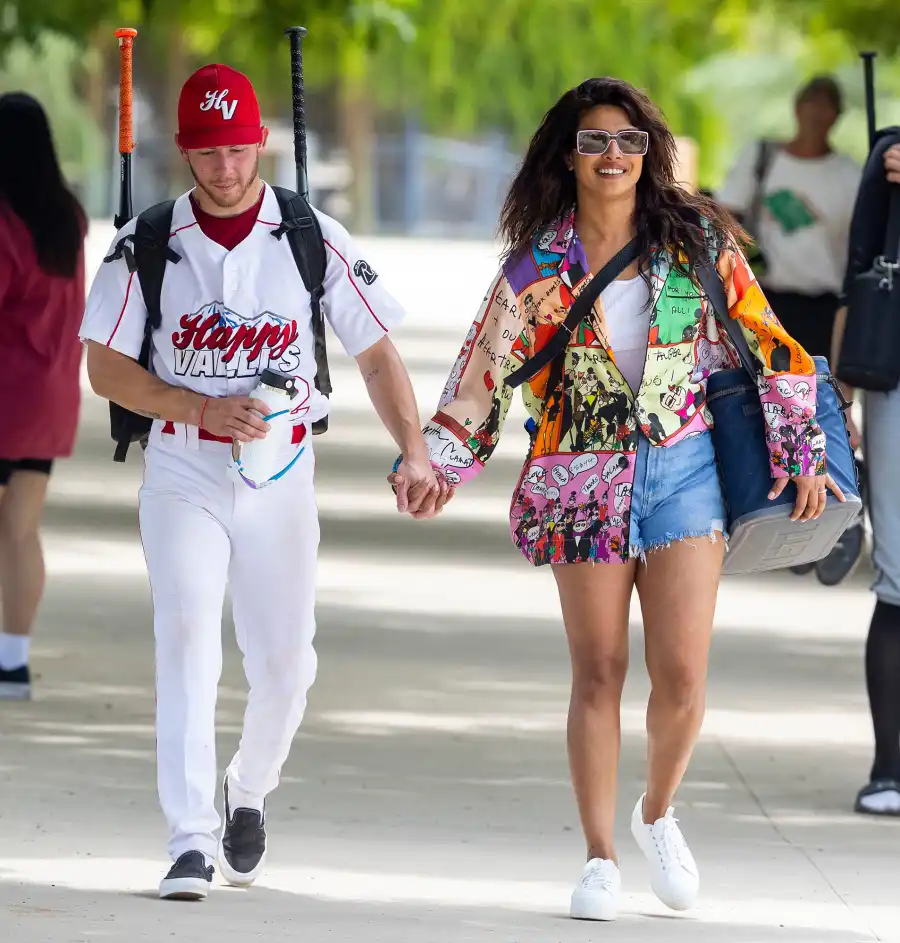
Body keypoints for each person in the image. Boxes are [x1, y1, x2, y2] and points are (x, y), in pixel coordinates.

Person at [391, 77, 842, 922]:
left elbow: (767, 340)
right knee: (597, 670)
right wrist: (433, 465)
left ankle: (656, 812)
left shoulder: (697, 242)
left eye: (629, 142)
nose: (613, 155)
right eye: (595, 140)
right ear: (569, 155)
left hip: (684, 468)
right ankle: (599, 856)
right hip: (578, 476)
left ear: (647, 154)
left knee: (683, 676)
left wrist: (802, 450)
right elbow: (481, 376)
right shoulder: (535, 268)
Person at [80, 64, 448, 901]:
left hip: (281, 472)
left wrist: (415, 450)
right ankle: (188, 837)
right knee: (186, 636)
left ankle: (247, 787)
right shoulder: (147, 240)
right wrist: (197, 408)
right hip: (184, 466)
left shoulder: (311, 232)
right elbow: (104, 367)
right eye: (209, 152)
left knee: (286, 663)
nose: (227, 167)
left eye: (239, 148)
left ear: (262, 142)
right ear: (185, 151)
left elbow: (376, 352)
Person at [717, 75, 864, 584]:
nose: (817, 112)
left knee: (824, 408)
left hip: (823, 303)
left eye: (828, 104)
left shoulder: (848, 176)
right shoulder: (762, 159)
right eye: (810, 102)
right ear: (797, 107)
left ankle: (833, 513)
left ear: (837, 115)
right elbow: (725, 219)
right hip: (765, 301)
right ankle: (770, 502)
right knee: (758, 405)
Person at [0, 93, 86, 700]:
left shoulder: (4, 221)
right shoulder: (68, 217)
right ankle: (13, 663)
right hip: (50, 394)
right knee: (21, 531)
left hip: (5, 388)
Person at [832, 131, 900, 817]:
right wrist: (839, 398)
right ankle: (889, 768)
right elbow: (857, 274)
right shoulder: (891, 156)